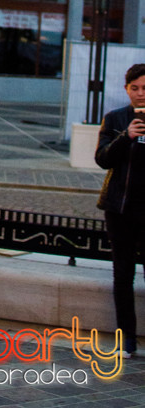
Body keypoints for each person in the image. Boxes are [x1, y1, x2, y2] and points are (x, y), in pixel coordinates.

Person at [95, 63, 145, 358]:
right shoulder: (115, 118)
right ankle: (127, 337)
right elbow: (102, 159)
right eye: (134, 88)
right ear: (126, 89)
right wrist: (125, 137)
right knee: (123, 274)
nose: (140, 94)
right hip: (120, 210)